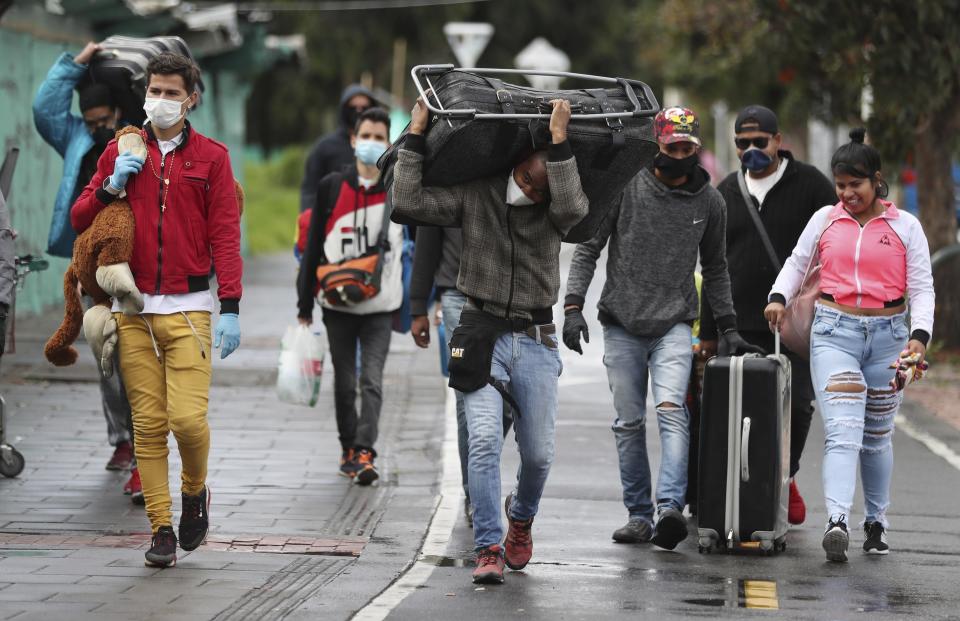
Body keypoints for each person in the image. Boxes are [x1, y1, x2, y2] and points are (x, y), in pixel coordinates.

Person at [393, 96, 588, 585]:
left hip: (536, 338)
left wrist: (559, 143)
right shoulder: (476, 192)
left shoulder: (556, 212)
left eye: (535, 188)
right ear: (513, 164)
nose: (524, 188)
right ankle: (488, 545)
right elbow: (407, 202)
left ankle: (520, 518)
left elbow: (574, 208)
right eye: (522, 176)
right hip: (479, 331)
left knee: (539, 454)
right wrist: (415, 136)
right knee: (481, 440)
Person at [71, 52, 243, 568]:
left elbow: (225, 236)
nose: (161, 101)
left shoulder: (212, 157)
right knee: (147, 426)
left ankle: (194, 494)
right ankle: (162, 528)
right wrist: (111, 183)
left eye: (172, 93)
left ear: (191, 99)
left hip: (190, 309)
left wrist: (229, 305)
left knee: (188, 422)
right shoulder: (121, 149)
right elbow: (81, 218)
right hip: (133, 307)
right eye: (155, 91)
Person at [563, 106, 757, 550]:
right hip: (622, 324)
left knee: (673, 412)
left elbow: (717, 269)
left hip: (673, 324)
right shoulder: (625, 187)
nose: (680, 154)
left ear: (697, 151)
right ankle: (638, 515)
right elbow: (588, 247)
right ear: (657, 146)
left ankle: (669, 508)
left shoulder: (711, 203)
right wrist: (573, 306)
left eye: (688, 148)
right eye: (673, 147)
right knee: (629, 422)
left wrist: (728, 326)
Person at [765, 128, 934, 562]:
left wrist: (919, 338)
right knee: (842, 432)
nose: (846, 194)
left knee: (876, 437)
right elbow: (797, 262)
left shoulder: (905, 227)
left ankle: (876, 522)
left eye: (854, 186)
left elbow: (923, 288)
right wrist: (778, 297)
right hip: (834, 333)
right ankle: (837, 521)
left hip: (890, 339)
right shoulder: (826, 219)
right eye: (840, 186)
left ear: (876, 181)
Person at [699, 104, 837, 524]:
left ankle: (786, 476)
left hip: (795, 325)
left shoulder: (812, 187)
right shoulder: (723, 192)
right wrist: (708, 333)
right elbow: (713, 264)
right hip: (736, 322)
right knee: (736, 412)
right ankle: (741, 494)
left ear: (779, 142)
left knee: (798, 407)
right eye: (743, 144)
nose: (752, 150)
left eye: (761, 142)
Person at [32, 42, 140, 501]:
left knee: (135, 360)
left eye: (105, 119)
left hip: (135, 267)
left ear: (119, 109)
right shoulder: (76, 139)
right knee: (106, 355)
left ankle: (141, 447)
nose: (99, 128)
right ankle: (123, 440)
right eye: (92, 120)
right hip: (91, 266)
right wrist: (77, 65)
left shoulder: (136, 140)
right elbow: (44, 108)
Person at [297, 107, 403, 486]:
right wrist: (304, 303)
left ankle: (364, 450)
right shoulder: (331, 186)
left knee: (371, 380)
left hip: (380, 305)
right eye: (366, 136)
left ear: (389, 144)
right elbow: (312, 248)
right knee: (344, 381)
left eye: (380, 137)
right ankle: (348, 447)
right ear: (353, 140)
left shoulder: (398, 189)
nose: (372, 143)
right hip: (336, 303)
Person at [408, 225, 513, 526]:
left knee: (506, 404)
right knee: (470, 393)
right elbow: (427, 239)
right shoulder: (447, 179)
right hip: (457, 296)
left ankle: (481, 469)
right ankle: (475, 496)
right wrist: (418, 306)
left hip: (509, 298)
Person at [299, 85, 377, 214]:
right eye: (353, 108)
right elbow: (310, 190)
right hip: (333, 220)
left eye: (364, 108)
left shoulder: (381, 147)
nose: (359, 112)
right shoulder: (324, 147)